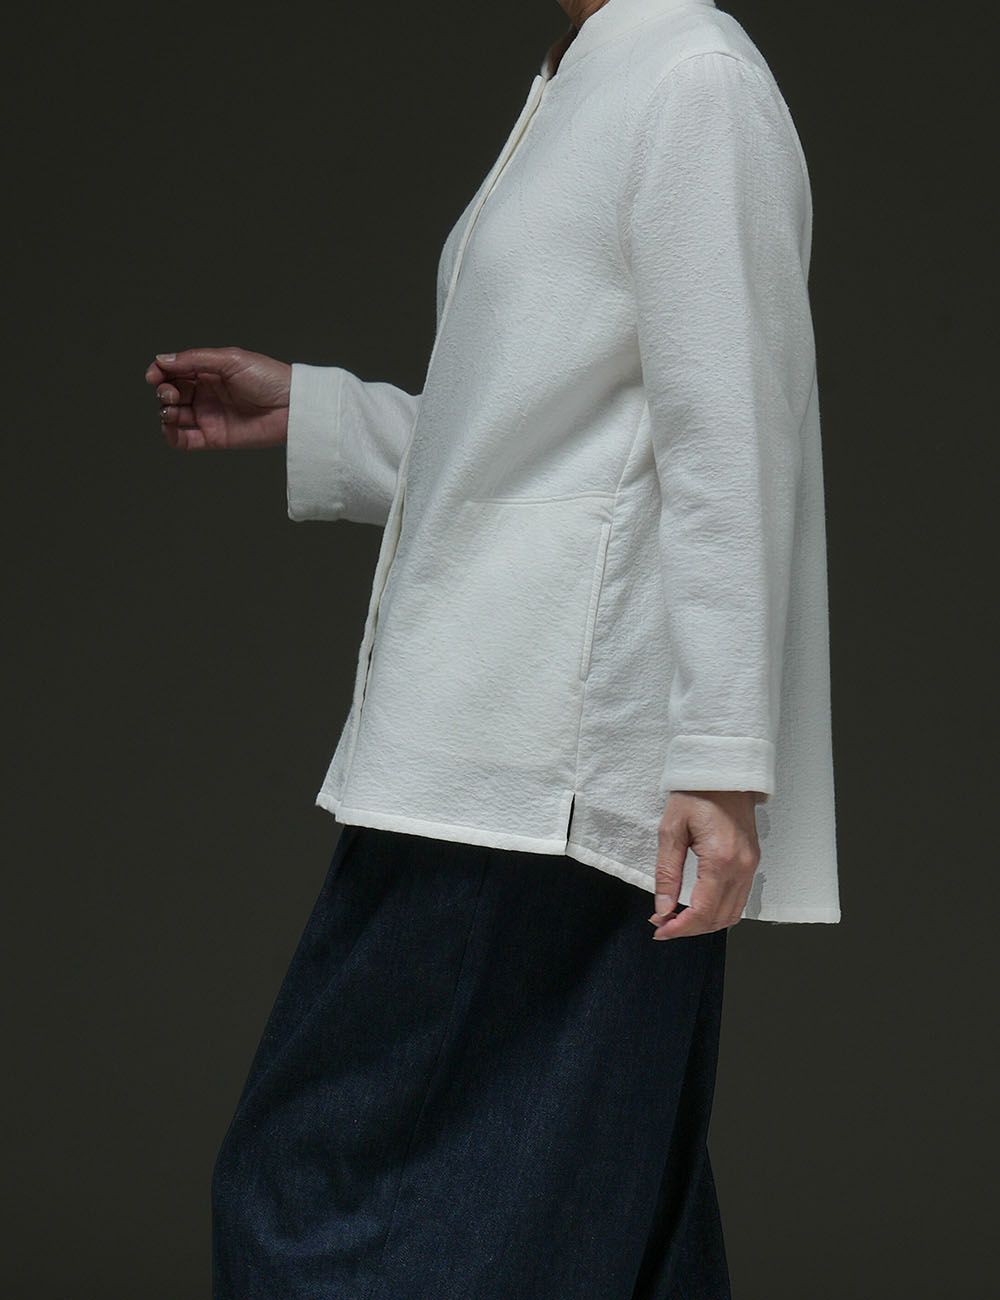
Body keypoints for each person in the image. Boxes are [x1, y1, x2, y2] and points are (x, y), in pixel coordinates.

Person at [144, 1, 841, 1295]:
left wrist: (721, 757)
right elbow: (540, 447)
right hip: (508, 748)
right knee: (607, 1214)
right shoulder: (584, 75)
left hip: (540, 768)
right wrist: (319, 412)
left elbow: (727, 438)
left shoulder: (690, 76)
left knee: (322, 1192)